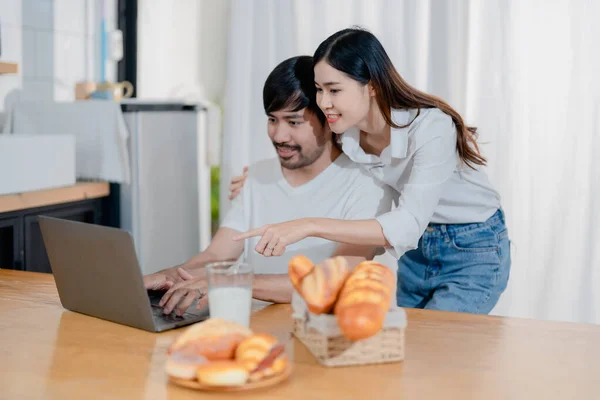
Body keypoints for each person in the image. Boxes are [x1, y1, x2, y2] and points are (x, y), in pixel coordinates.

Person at [232, 28, 511, 314]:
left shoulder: (432, 128)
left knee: (440, 343)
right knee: (411, 346)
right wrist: (256, 179)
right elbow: (310, 157)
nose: (324, 102)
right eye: (319, 89)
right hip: (416, 254)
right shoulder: (344, 131)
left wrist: (309, 225)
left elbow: (408, 222)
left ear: (373, 85)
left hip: (472, 245)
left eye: (334, 90)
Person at [144, 55, 392, 316]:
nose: (279, 136)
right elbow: (216, 256)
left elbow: (329, 281)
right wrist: (166, 276)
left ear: (330, 119)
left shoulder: (367, 185)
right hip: (254, 331)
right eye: (273, 119)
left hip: (325, 339)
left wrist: (230, 282)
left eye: (293, 122)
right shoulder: (257, 177)